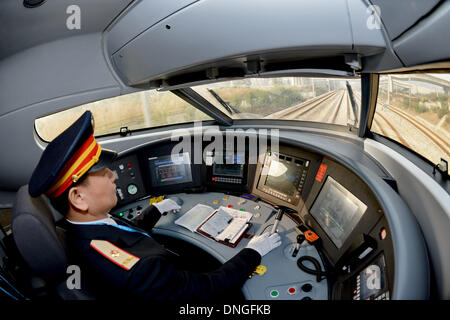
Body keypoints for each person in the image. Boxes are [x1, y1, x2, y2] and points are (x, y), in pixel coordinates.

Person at [28, 111, 281, 300]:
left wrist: (153, 212)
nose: (114, 176)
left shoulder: (84, 229)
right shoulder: (137, 270)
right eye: (103, 174)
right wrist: (252, 253)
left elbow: (124, 237)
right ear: (78, 198)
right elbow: (205, 290)